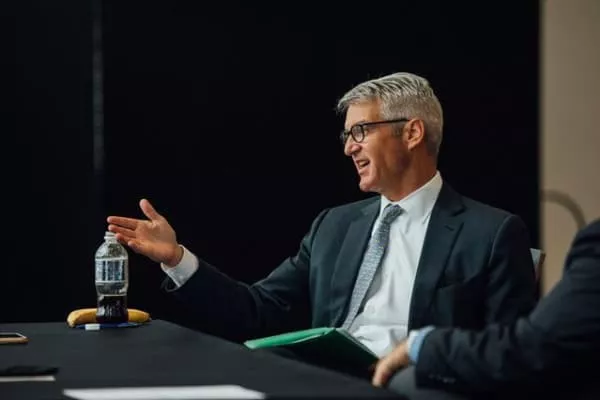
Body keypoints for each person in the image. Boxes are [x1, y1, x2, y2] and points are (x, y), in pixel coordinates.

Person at [107, 72, 537, 376]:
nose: (349, 148)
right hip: (326, 379)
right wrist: (176, 258)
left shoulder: (492, 233)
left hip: (414, 383)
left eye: (361, 131)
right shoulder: (335, 225)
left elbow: (509, 355)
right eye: (347, 135)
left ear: (412, 133)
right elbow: (257, 311)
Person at [372, 218, 600, 399]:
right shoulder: (350, 218)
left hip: (408, 368)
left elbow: (533, 348)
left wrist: (419, 345)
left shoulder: (497, 228)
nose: (349, 157)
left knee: (407, 382)